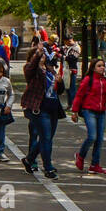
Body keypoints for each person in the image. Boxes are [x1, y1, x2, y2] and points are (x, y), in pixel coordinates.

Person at [20, 41, 62, 178]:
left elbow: (59, 91)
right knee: (46, 138)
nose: (43, 56)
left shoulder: (50, 70)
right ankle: (48, 168)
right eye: (41, 55)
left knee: (47, 138)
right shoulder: (31, 70)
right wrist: (37, 54)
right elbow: (32, 67)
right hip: (39, 108)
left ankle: (29, 159)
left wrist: (59, 82)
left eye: (44, 55)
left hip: (53, 108)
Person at [71, 58, 106, 176]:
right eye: (99, 66)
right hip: (88, 111)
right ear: (93, 68)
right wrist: (74, 111)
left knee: (99, 139)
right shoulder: (88, 80)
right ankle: (80, 155)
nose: (102, 68)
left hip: (101, 112)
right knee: (92, 136)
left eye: (103, 66)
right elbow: (79, 96)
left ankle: (95, 165)